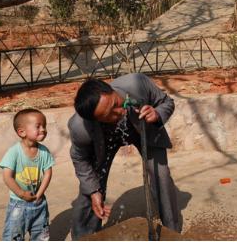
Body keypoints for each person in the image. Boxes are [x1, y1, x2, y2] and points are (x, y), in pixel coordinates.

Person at [68, 73, 180, 240]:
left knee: (161, 175)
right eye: (109, 115)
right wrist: (93, 192)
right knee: (90, 188)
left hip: (143, 127)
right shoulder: (80, 128)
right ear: (96, 120)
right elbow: (80, 159)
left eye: (116, 103)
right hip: (104, 140)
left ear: (111, 90)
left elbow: (167, 102)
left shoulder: (136, 83)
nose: (119, 112)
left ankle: (171, 230)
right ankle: (85, 236)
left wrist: (156, 114)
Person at [0, 108, 54, 241]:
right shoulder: (14, 152)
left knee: (41, 234)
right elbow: (7, 176)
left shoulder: (44, 152)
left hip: (39, 202)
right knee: (14, 235)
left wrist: (39, 194)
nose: (43, 129)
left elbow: (48, 173)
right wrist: (21, 193)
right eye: (38, 126)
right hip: (18, 204)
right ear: (22, 132)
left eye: (44, 126)